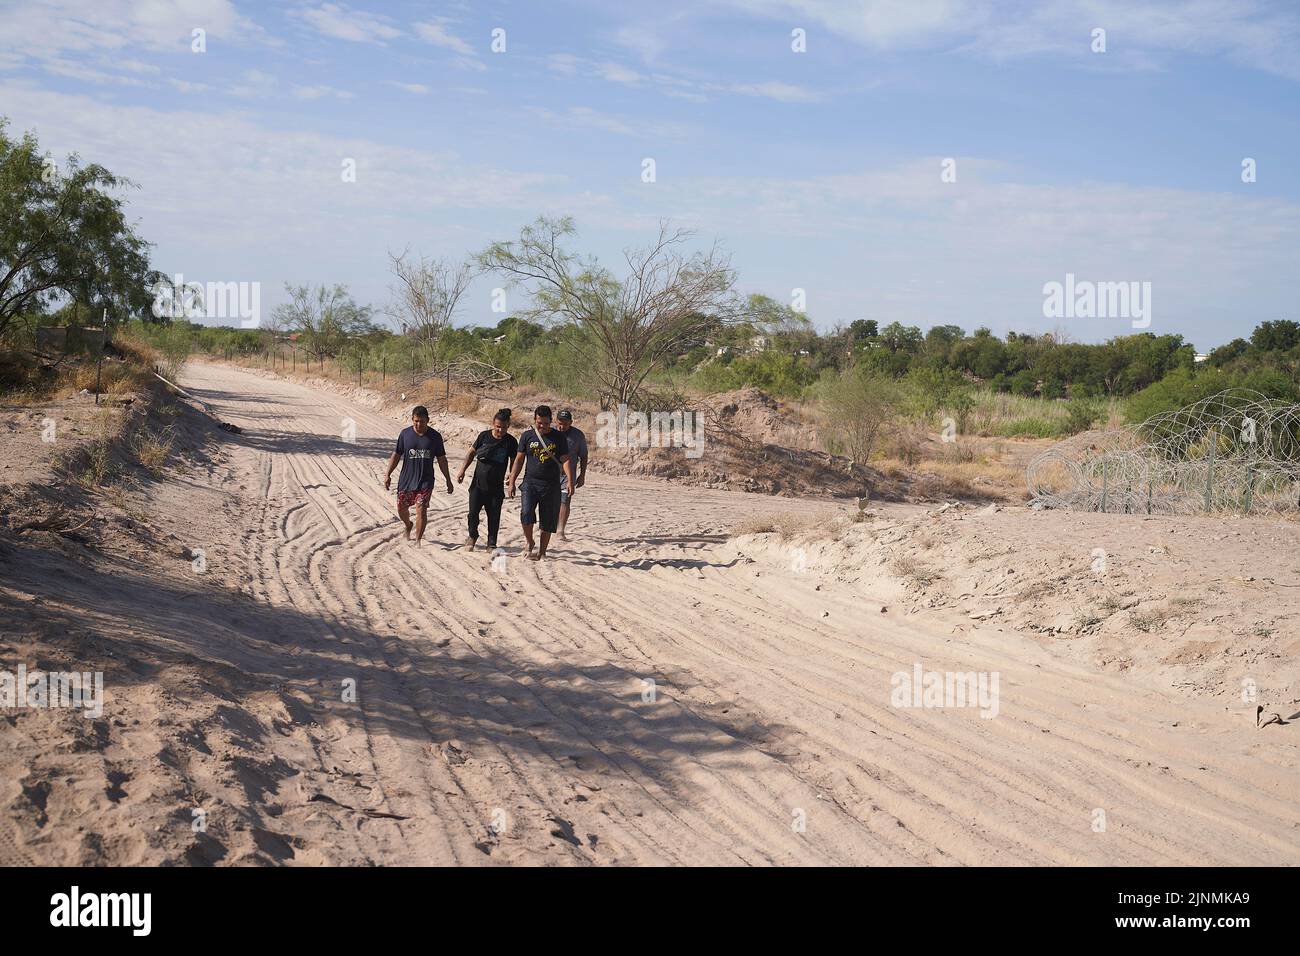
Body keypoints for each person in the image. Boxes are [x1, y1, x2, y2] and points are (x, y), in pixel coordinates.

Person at [507, 405, 574, 561]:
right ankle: (530, 542)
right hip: (530, 482)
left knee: (548, 519)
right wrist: (511, 481)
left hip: (551, 485)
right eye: (539, 423)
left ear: (551, 421)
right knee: (526, 513)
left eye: (545, 423)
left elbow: (565, 460)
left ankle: (542, 552)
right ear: (535, 420)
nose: (542, 426)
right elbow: (519, 460)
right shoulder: (527, 436)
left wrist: (570, 481)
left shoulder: (559, 437)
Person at [383, 405, 452, 546]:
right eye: (416, 421)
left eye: (422, 421)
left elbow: (442, 459)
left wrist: (448, 480)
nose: (419, 424)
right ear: (412, 420)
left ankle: (418, 540)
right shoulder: (405, 434)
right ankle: (408, 524)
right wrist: (388, 474)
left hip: (425, 481)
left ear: (428, 420)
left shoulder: (435, 437)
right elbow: (396, 455)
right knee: (401, 509)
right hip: (406, 480)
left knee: (421, 509)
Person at [456, 408, 517, 551]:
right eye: (497, 427)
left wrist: (511, 475)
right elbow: (471, 453)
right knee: (472, 514)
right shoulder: (484, 436)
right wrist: (462, 470)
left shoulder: (511, 442)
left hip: (496, 487)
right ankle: (472, 535)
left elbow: (515, 461)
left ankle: (491, 543)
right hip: (478, 485)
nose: (500, 430)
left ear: (508, 425)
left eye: (503, 427)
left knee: (494, 516)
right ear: (493, 424)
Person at [553, 409, 588, 542]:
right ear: (555, 421)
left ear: (571, 423)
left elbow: (583, 456)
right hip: (549, 473)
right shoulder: (549, 431)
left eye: (566, 424)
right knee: (550, 501)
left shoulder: (578, 436)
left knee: (565, 500)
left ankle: (560, 530)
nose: (562, 427)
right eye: (560, 423)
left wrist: (582, 475)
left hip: (568, 474)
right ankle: (549, 526)